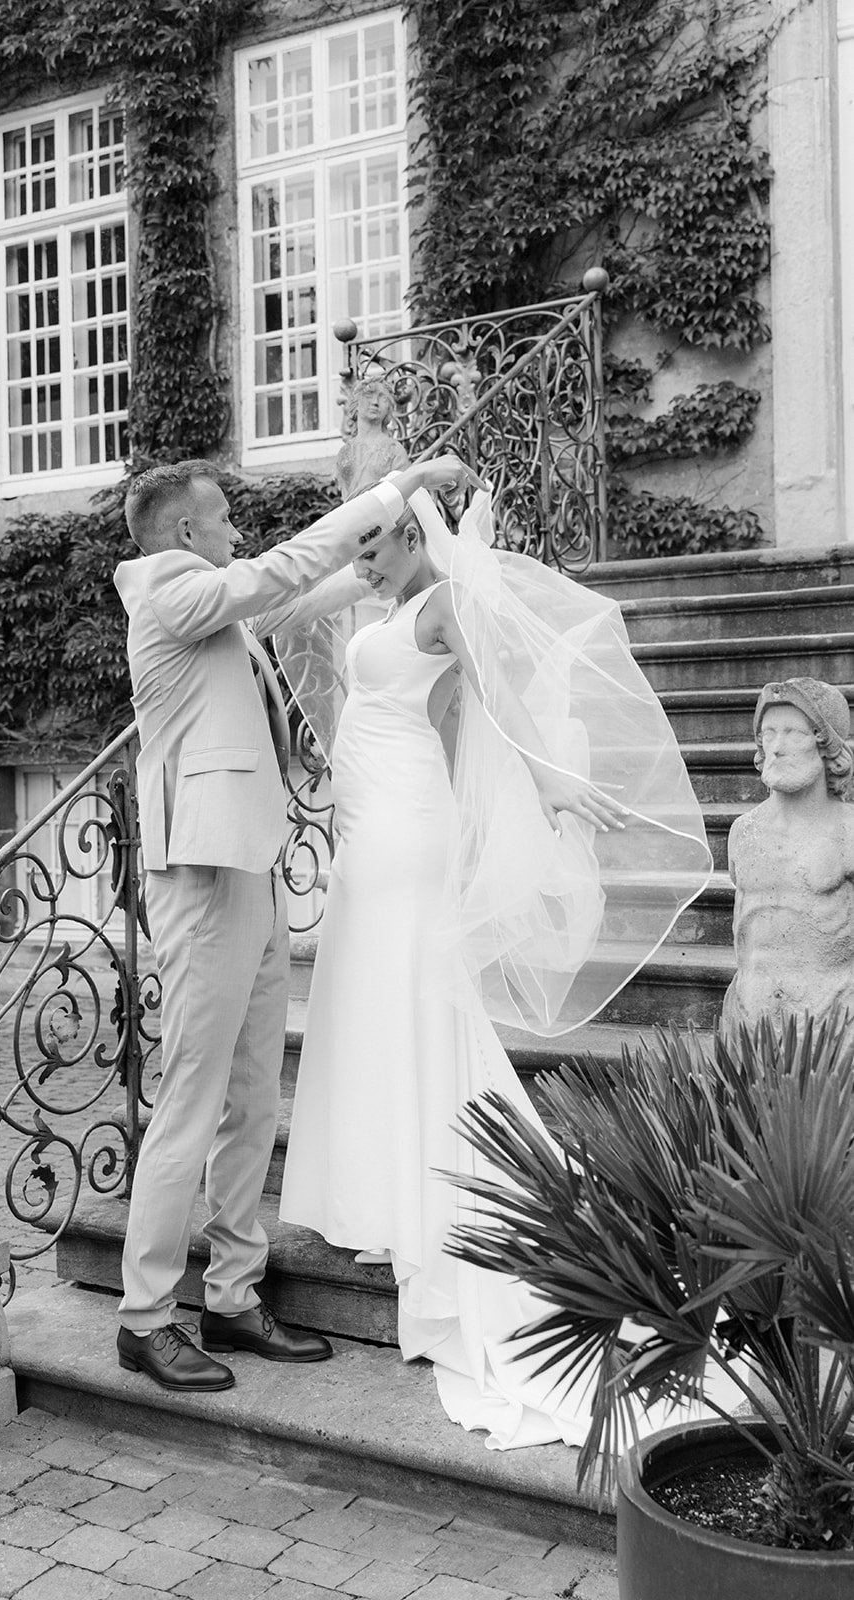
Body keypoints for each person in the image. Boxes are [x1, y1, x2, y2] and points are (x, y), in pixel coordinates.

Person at [277, 487, 713, 1448]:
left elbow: (500, 698)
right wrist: (378, 512)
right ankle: (385, 1197)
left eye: (376, 548)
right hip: (367, 829)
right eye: (358, 551)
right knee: (368, 1012)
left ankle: (429, 1201)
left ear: (416, 534)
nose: (362, 564)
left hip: (406, 833)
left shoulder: (445, 604)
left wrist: (550, 781)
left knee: (409, 1008)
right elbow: (286, 606)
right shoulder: (384, 602)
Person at [113, 452, 473, 1394]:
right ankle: (144, 1318)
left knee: (251, 1099)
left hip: (253, 869)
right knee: (191, 1102)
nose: (237, 529)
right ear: (185, 532)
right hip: (202, 881)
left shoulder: (217, 613)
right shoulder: (166, 591)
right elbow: (277, 572)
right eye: (224, 518)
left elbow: (289, 599)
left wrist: (381, 567)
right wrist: (400, 484)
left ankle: (232, 1295)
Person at [721, 677, 854, 1031]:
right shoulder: (743, 832)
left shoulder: (848, 831)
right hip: (749, 1020)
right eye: (768, 733)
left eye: (794, 733)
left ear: (825, 744)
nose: (777, 748)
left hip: (833, 1021)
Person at [335, 376, 410, 501]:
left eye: (383, 398)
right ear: (356, 403)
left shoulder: (394, 450)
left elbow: (403, 496)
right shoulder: (345, 451)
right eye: (368, 395)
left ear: (388, 408)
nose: (375, 402)